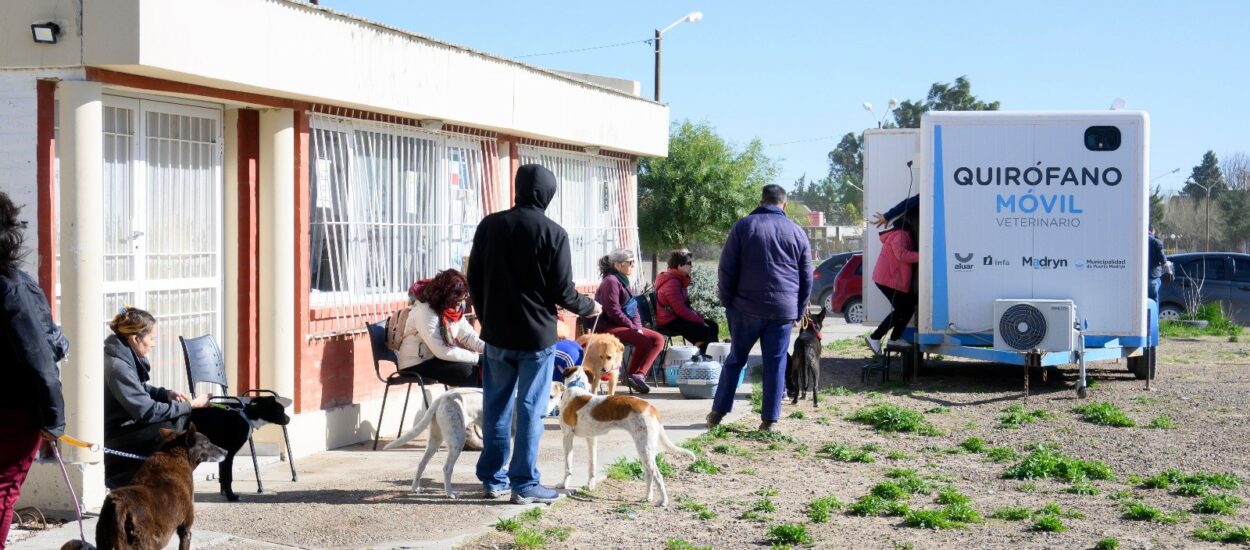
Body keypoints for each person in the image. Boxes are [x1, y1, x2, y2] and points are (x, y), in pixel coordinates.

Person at [467, 163, 601, 504]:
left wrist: (486, 319)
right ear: (548, 194)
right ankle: (524, 484)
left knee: (495, 408)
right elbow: (563, 292)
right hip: (536, 338)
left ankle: (493, 480)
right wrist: (590, 308)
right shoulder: (553, 233)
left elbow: (474, 280)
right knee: (530, 409)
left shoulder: (489, 226)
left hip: (496, 336)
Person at [103, 307, 250, 492]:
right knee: (174, 426)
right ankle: (143, 482)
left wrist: (165, 394)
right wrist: (190, 405)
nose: (153, 344)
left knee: (179, 419)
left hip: (123, 426)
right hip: (114, 435)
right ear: (135, 339)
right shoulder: (118, 366)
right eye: (152, 339)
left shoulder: (121, 356)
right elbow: (146, 411)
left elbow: (137, 389)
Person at [707, 184, 812, 432]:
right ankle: (769, 421)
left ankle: (718, 413)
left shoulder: (744, 226)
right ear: (784, 205)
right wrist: (798, 310)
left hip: (745, 307)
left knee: (735, 360)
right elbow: (807, 276)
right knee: (776, 364)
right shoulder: (797, 232)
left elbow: (727, 268)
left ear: (761, 201)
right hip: (782, 311)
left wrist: (728, 301)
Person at [0, 192, 64, 546]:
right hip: (13, 410)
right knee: (4, 489)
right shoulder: (12, 287)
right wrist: (54, 419)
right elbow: (40, 361)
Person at [593, 248, 664, 393]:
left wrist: (637, 326)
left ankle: (638, 375)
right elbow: (613, 311)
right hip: (608, 326)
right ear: (618, 265)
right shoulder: (610, 282)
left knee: (658, 339)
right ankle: (630, 375)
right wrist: (632, 327)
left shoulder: (623, 280)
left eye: (633, 262)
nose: (633, 265)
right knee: (643, 341)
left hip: (624, 325)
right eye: (630, 262)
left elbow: (633, 307)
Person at [398, 269, 484, 387]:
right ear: (447, 296)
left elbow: (468, 336)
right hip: (416, 363)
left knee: (481, 369)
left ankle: (482, 404)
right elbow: (442, 351)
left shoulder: (452, 310)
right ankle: (466, 404)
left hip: (435, 358)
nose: (462, 302)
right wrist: (477, 358)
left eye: (464, 297)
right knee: (467, 371)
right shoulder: (425, 311)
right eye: (459, 299)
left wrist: (490, 351)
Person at [864, 211, 920, 355]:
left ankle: (894, 338)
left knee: (908, 308)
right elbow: (901, 255)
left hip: (890, 279)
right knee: (902, 309)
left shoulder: (901, 234)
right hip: (888, 279)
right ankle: (874, 337)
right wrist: (924, 255)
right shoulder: (901, 235)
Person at [654, 249, 719, 355]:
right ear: (679, 266)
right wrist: (699, 321)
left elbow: (685, 306)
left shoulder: (679, 279)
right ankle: (709, 357)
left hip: (676, 318)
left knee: (712, 325)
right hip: (669, 321)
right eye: (689, 263)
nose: (691, 266)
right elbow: (681, 310)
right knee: (704, 330)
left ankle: (711, 355)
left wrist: (699, 317)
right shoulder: (672, 283)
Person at [1147, 225, 1169, 302]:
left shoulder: (1137, 241)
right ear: (1153, 230)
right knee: (1154, 299)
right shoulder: (1156, 242)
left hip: (1139, 277)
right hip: (1153, 276)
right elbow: (1163, 260)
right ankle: (1153, 314)